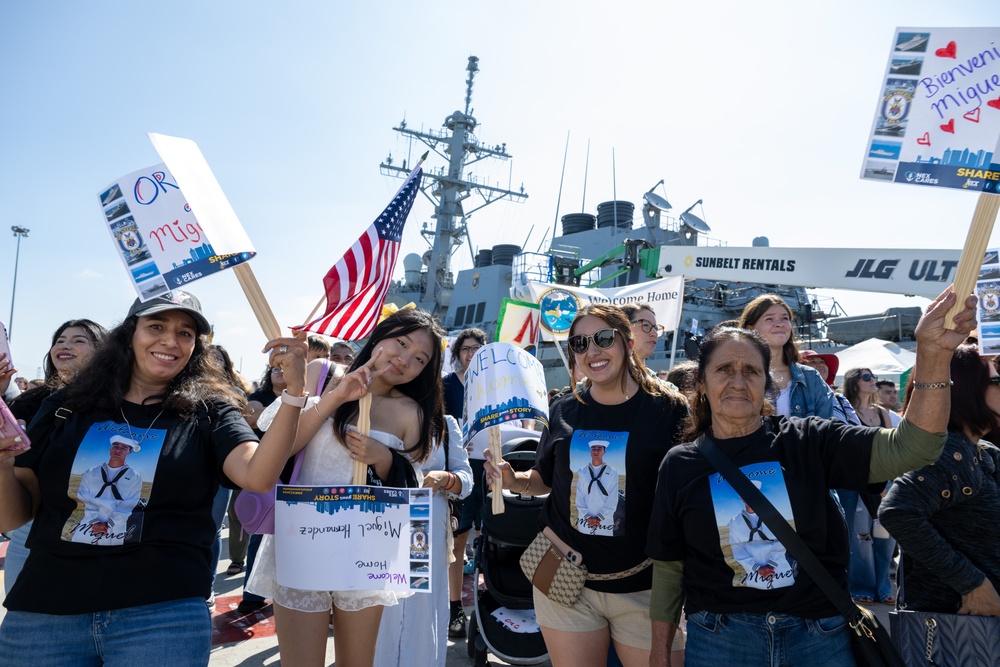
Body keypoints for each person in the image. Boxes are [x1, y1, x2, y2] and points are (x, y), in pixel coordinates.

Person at [646, 288, 978, 667]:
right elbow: (670, 568)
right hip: (722, 641)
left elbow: (915, 448)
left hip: (818, 639)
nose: (738, 382)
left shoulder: (810, 440)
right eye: (724, 369)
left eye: (752, 371)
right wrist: (660, 653)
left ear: (766, 384)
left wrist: (934, 357)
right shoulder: (680, 464)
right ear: (701, 384)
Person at [0, 290, 307, 665]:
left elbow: (257, 475)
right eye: (156, 326)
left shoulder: (210, 412)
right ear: (129, 334)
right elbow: (12, 517)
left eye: (185, 333)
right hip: (45, 614)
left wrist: (294, 394)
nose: (170, 341)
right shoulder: (66, 406)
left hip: (163, 618)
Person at [485, 303, 689, 667]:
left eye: (603, 338)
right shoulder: (563, 410)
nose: (592, 351)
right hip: (564, 580)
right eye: (579, 343)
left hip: (646, 587)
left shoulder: (670, 409)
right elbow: (544, 481)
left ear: (627, 343)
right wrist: (514, 480)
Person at [247, 307, 446, 667]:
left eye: (419, 358)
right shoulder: (322, 375)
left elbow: (412, 489)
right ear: (381, 334)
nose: (404, 359)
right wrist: (336, 398)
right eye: (400, 342)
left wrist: (385, 459)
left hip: (367, 549)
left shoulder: (412, 413)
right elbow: (279, 449)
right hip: (303, 539)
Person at [878, 346, 1000, 616]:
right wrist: (972, 585)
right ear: (966, 389)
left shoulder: (984, 450)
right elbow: (897, 512)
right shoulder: (947, 453)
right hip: (957, 630)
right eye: (997, 379)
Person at [1, 318, 108, 594]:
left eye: (78, 340)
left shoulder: (122, 403)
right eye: (59, 341)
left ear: (105, 350)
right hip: (32, 527)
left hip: (99, 532)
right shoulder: (31, 402)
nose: (65, 345)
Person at [375, 414, 473, 666]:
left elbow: (466, 478)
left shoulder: (444, 424)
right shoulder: (375, 413)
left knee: (421, 604)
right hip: (380, 523)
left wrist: (445, 478)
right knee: (383, 605)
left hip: (424, 520)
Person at [839, 367, 898, 605]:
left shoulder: (883, 413)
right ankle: (861, 587)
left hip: (884, 482)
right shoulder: (845, 412)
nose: (873, 380)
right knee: (860, 538)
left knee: (885, 537)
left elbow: (892, 447)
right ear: (854, 383)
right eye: (866, 377)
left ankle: (883, 588)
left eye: (873, 376)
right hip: (855, 483)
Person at [442, 327, 487, 639]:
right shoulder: (445, 385)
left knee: (491, 538)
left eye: (477, 348)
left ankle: (490, 604)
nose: (470, 353)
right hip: (461, 469)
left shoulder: (495, 384)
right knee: (458, 540)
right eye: (465, 348)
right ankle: (454, 606)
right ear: (457, 353)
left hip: (492, 467)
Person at [737, 294, 833, 419]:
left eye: (784, 318)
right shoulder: (738, 377)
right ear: (751, 329)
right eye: (769, 319)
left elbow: (826, 430)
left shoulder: (811, 378)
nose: (780, 324)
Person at [71, 435, 143, 545]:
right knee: (76, 553)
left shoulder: (135, 476)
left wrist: (110, 523)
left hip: (115, 527)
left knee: (110, 559)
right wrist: (95, 521)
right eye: (115, 445)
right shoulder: (91, 472)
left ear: (129, 452)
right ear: (110, 449)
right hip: (89, 523)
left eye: (124, 447)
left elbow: (130, 503)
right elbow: (83, 498)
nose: (118, 450)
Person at [798, 349, 858, 425]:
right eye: (812, 362)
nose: (821, 365)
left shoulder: (840, 399)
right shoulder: (793, 397)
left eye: (822, 361)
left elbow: (856, 428)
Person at [575, 440, 619, 536]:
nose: (596, 451)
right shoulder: (582, 471)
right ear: (590, 452)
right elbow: (579, 497)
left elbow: (613, 498)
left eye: (599, 449)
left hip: (605, 520)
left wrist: (600, 518)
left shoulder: (612, 472)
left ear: (604, 452)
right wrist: (587, 517)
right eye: (593, 449)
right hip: (585, 519)